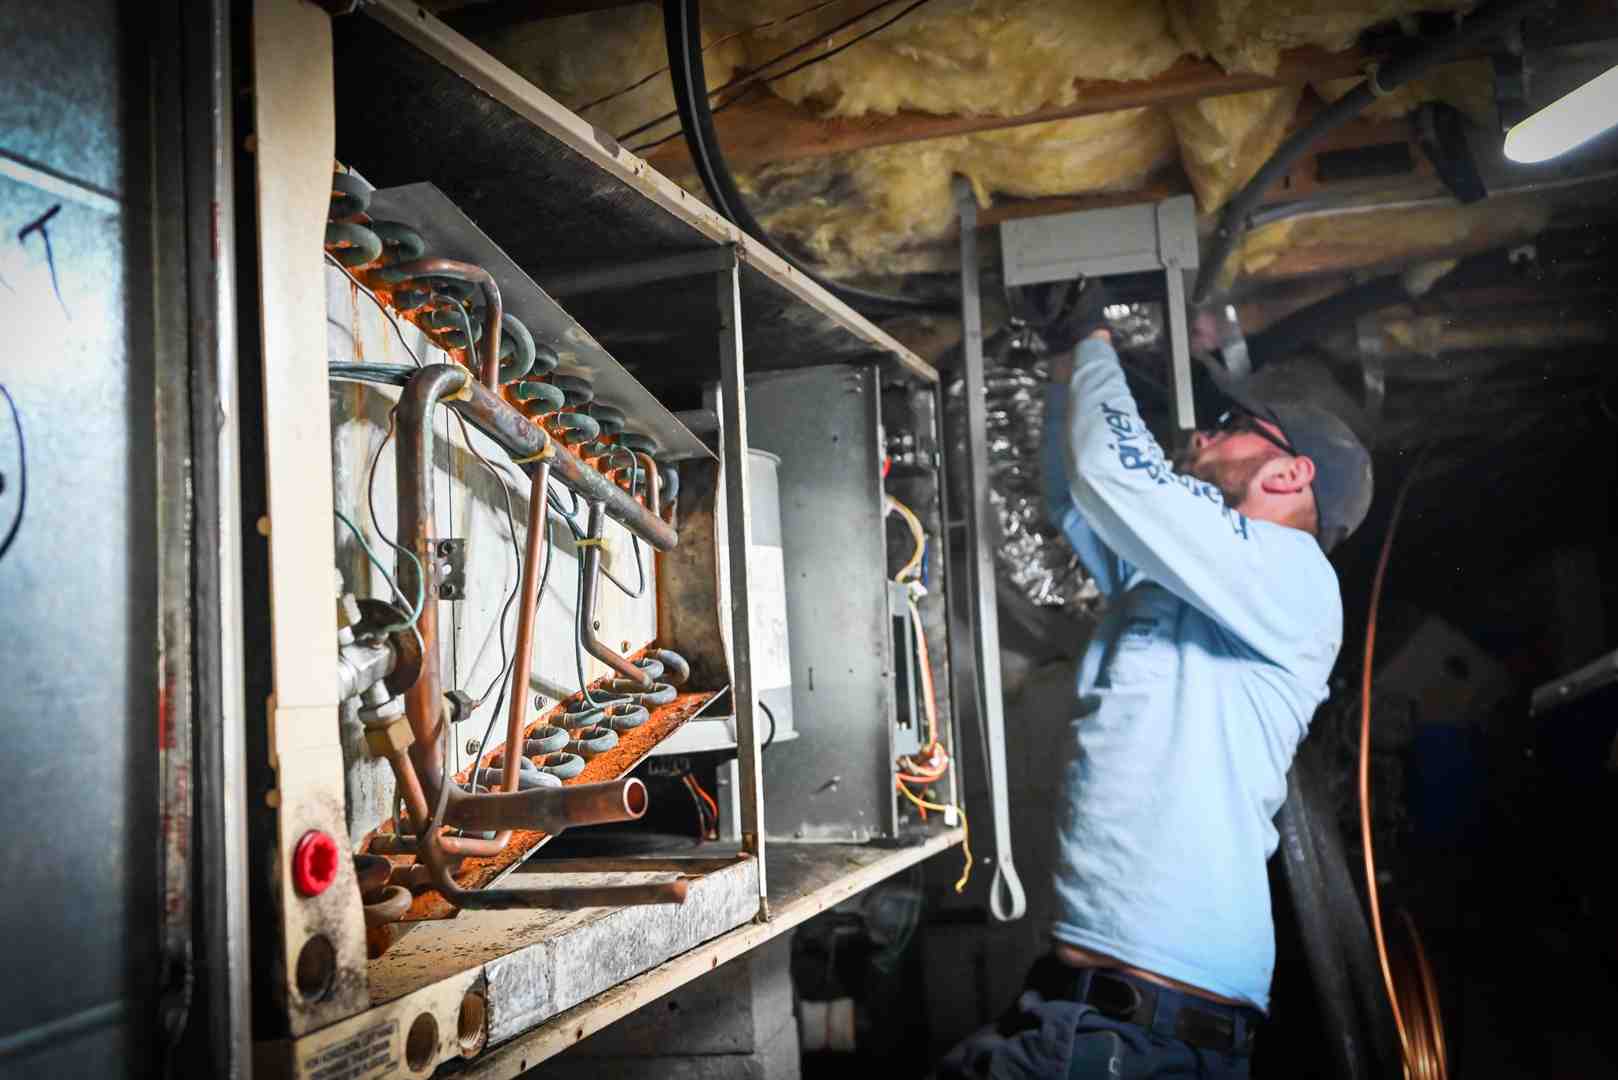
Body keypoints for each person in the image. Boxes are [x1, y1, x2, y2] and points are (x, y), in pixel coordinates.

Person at [935, 282, 1373, 1079]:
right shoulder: (1184, 583)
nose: (1207, 432)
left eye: (1236, 426)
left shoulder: (1296, 579)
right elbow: (1082, 501)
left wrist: (1095, 338)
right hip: (1100, 1021)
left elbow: (1118, 479)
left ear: (1289, 473)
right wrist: (1070, 364)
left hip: (1132, 1030)